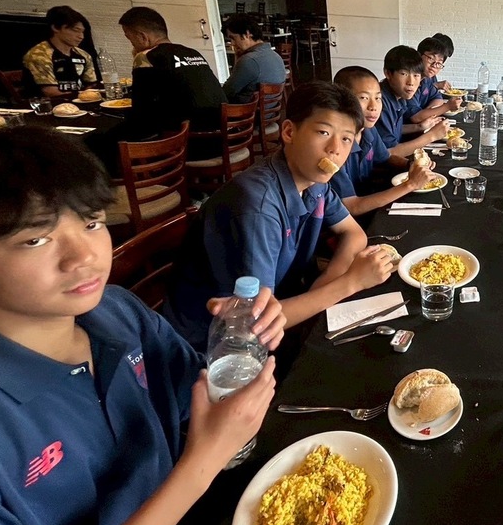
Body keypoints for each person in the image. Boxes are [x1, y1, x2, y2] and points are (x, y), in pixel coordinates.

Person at [0, 125, 285, 525]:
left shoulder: (118, 312)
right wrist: (203, 462)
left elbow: (198, 394)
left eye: (91, 223)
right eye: (35, 239)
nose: (84, 256)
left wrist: (242, 332)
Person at [163, 81, 393, 351]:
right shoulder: (257, 205)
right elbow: (257, 322)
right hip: (216, 345)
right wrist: (350, 282)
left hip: (285, 302)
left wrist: (326, 284)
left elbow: (354, 233)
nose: (335, 149)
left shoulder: (314, 182)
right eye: (323, 132)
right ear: (289, 132)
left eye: (346, 138)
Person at [118, 7, 227, 151]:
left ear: (142, 36)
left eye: (130, 39)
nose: (132, 44)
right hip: (223, 137)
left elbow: (141, 109)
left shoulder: (146, 57)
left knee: (103, 140)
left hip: (190, 144)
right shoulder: (192, 53)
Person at [333, 66, 437, 215]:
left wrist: (410, 165)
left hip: (373, 199)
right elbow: (352, 207)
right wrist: (410, 184)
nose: (373, 107)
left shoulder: (368, 130)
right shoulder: (334, 147)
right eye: (363, 98)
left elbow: (386, 158)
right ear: (341, 101)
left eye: (378, 98)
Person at [375, 45, 449, 158]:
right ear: (388, 73)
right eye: (404, 74)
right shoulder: (380, 103)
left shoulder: (399, 96)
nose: (411, 82)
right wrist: (432, 136)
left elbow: (393, 130)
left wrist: (420, 126)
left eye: (416, 75)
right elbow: (389, 154)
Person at [21, 6, 99, 98]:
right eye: (75, 30)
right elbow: (50, 92)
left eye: (82, 32)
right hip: (48, 103)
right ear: (55, 28)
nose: (81, 36)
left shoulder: (83, 55)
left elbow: (91, 85)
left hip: (78, 101)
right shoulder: (39, 55)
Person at [220, 14, 286, 103]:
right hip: (271, 109)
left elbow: (227, 92)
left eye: (233, 38)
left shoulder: (249, 60)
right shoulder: (275, 55)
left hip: (247, 111)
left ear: (247, 34)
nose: (232, 43)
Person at [404, 37, 462, 125]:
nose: (434, 65)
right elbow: (415, 117)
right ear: (419, 56)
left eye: (439, 63)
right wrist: (447, 106)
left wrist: (427, 113)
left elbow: (438, 98)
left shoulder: (427, 79)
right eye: (431, 58)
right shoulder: (409, 81)